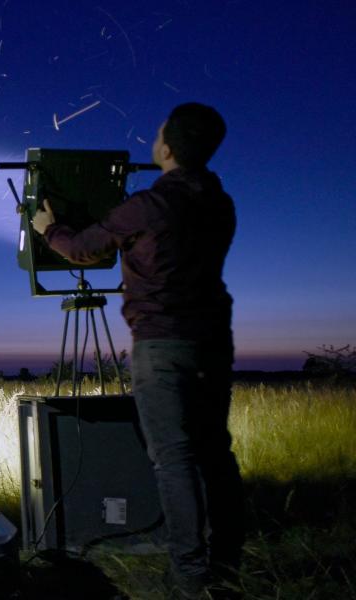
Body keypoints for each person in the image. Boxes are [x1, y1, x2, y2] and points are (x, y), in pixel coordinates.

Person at [30, 103, 245, 598]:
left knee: (173, 458)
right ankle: (227, 563)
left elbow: (86, 247)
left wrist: (49, 230)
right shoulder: (220, 202)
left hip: (162, 342)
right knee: (216, 453)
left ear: (166, 147)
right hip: (213, 338)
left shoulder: (148, 206)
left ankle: (190, 576)